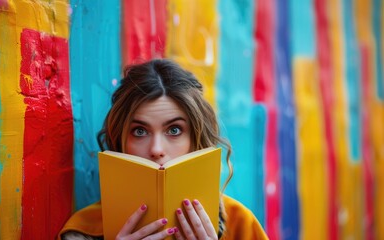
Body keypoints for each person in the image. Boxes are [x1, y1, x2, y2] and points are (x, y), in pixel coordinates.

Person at [58, 59, 268, 240]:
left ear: (195, 139)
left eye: (174, 129)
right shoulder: (82, 231)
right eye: (140, 131)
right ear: (120, 141)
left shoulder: (240, 224)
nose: (156, 149)